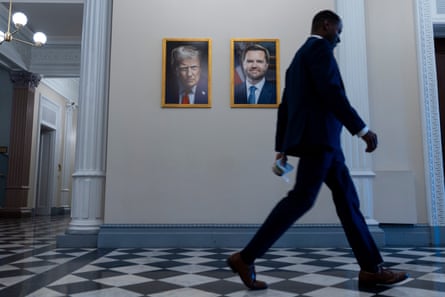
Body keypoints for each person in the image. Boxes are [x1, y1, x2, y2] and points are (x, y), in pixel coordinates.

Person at [227, 10, 408, 290]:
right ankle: (246, 257)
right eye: (339, 30)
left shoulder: (297, 59)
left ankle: (372, 269)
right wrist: (361, 129)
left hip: (323, 143)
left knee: (348, 202)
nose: (339, 37)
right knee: (301, 199)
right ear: (326, 25)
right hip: (320, 140)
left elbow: (285, 106)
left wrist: (281, 148)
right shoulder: (320, 49)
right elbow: (332, 92)